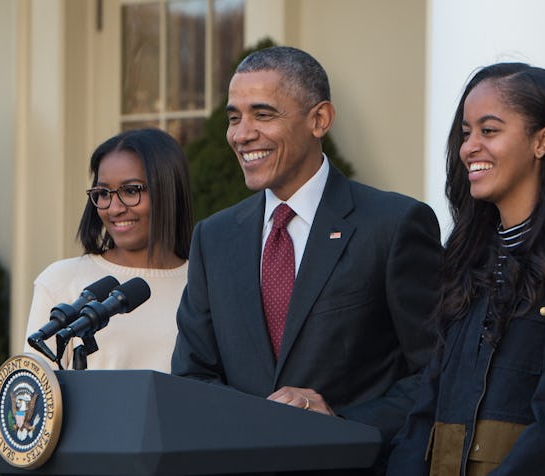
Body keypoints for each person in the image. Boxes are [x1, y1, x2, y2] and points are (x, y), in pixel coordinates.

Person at [170, 45, 443, 459]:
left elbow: (436, 370)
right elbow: (193, 376)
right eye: (234, 117)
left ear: (319, 120)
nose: (241, 134)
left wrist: (341, 423)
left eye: (263, 115)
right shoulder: (213, 237)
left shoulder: (393, 224)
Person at [387, 63, 545, 475]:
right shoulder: (470, 262)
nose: (469, 147)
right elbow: (424, 417)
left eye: (489, 131)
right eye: (466, 133)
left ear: (543, 140)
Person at [23, 128, 193, 372]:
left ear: (169, 190)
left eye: (131, 191)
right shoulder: (61, 280)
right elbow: (33, 394)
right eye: (103, 193)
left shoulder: (202, 286)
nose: (114, 208)